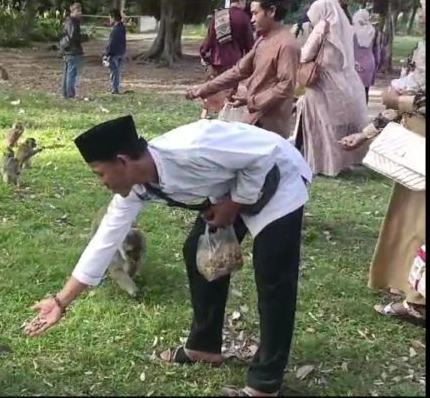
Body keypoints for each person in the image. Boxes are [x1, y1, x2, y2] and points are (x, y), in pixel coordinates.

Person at [25, 114, 313, 397]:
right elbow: (104, 241)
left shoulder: (194, 145)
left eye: (100, 173)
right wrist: (60, 301)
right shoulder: (137, 186)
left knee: (273, 273)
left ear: (123, 162)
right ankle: (204, 346)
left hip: (277, 177)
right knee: (196, 252)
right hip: (229, 189)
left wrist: (235, 203)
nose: (102, 182)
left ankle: (266, 380)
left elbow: (263, 155)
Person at [340, 0, 426, 324]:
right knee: (407, 217)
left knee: (420, 220)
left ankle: (418, 301)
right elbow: (402, 103)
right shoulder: (421, 46)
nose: (420, 13)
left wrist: (401, 99)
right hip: (415, 142)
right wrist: (365, 133)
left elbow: (407, 100)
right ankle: (408, 283)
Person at [187, 0, 300, 139]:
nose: (252, 19)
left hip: (271, 125)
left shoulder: (287, 45)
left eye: (255, 13)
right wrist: (205, 88)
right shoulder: (262, 41)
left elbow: (285, 87)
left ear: (271, 11)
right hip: (254, 119)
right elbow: (238, 71)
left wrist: (252, 100)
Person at [293, 0, 368, 177]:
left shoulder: (323, 26)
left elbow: (306, 54)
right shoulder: (345, 26)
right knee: (333, 124)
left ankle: (321, 164)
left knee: (319, 125)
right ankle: (338, 163)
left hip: (320, 82)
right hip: (342, 81)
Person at [199, 0, 255, 78]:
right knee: (231, 89)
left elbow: (209, 39)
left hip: (217, 62)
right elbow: (249, 44)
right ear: (241, 0)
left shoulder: (218, 15)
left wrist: (203, 54)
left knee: (216, 88)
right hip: (235, 63)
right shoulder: (244, 17)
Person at [352, 9, 380, 103]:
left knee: (353, 91)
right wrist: (376, 65)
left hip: (354, 64)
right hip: (369, 64)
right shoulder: (373, 31)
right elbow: (377, 51)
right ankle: (364, 114)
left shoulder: (351, 31)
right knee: (365, 91)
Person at [59, 2, 84, 99]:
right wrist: (82, 38)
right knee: (71, 74)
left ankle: (65, 93)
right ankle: (70, 94)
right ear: (73, 11)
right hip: (72, 51)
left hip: (68, 50)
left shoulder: (68, 21)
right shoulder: (72, 22)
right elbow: (73, 36)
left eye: (80, 11)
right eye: (78, 11)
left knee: (67, 73)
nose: (80, 13)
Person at [104, 9, 127, 95]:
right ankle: (115, 88)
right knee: (116, 71)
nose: (109, 20)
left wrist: (107, 54)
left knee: (114, 72)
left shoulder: (115, 30)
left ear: (114, 18)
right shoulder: (122, 28)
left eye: (110, 18)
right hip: (120, 52)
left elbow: (112, 43)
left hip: (114, 54)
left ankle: (114, 89)